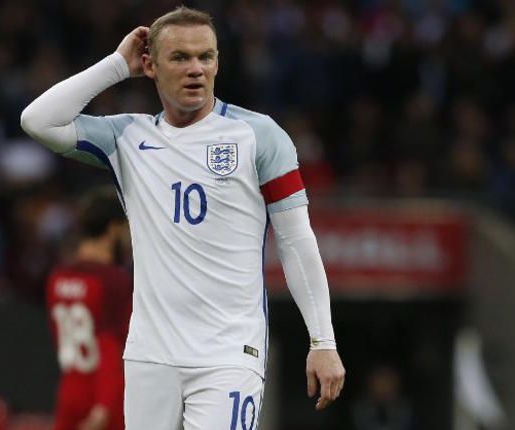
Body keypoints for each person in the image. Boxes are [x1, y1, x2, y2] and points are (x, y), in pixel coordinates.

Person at [21, 6, 345, 429]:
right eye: (180, 57)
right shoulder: (127, 137)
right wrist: (116, 65)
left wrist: (323, 340)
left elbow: (296, 241)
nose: (196, 69)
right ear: (150, 66)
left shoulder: (259, 136)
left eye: (206, 56)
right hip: (149, 355)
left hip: (227, 355)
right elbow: (38, 120)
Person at [46, 188, 132, 430]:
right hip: (106, 398)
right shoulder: (113, 280)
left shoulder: (57, 277)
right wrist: (104, 405)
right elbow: (109, 346)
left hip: (69, 393)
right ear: (114, 229)